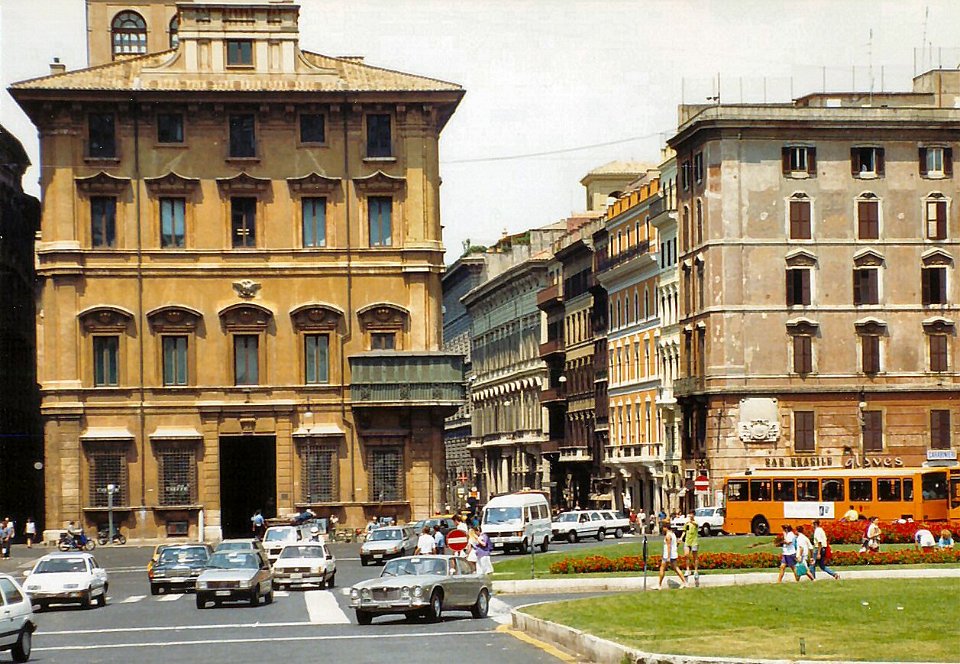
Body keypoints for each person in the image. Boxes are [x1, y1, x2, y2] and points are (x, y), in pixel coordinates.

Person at [658, 521, 687, 589]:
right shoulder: (673, 534)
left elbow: (669, 546)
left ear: (665, 527)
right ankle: (685, 582)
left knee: (662, 568)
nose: (662, 529)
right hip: (673, 554)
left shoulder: (668, 535)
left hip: (667, 555)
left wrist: (668, 557)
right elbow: (675, 544)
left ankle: (659, 585)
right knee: (676, 568)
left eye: (663, 527)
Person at [681, 511, 700, 585]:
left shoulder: (696, 522)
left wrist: (691, 521)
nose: (690, 515)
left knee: (695, 556)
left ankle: (696, 570)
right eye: (690, 514)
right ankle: (687, 569)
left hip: (694, 541)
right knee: (686, 555)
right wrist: (681, 538)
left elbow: (696, 524)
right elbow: (684, 531)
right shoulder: (687, 523)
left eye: (691, 514)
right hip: (687, 541)